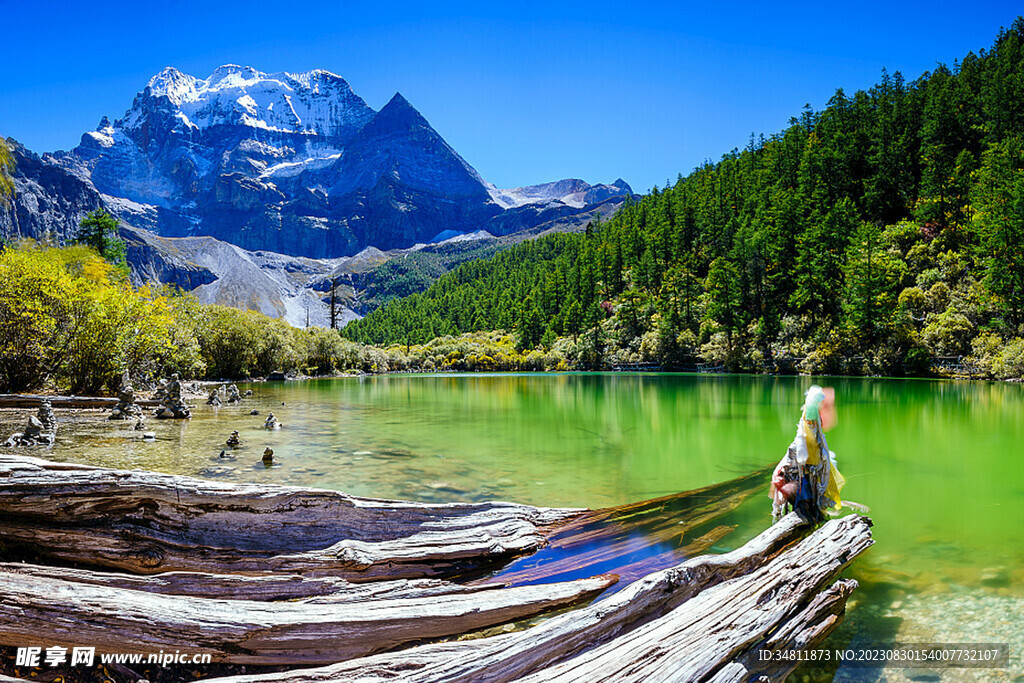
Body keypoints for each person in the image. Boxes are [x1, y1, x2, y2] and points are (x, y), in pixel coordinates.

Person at [770, 385, 845, 523]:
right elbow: (808, 434)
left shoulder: (810, 417)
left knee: (808, 480)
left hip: (809, 457)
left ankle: (809, 510)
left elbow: (812, 430)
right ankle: (806, 511)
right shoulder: (809, 420)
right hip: (805, 458)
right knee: (805, 480)